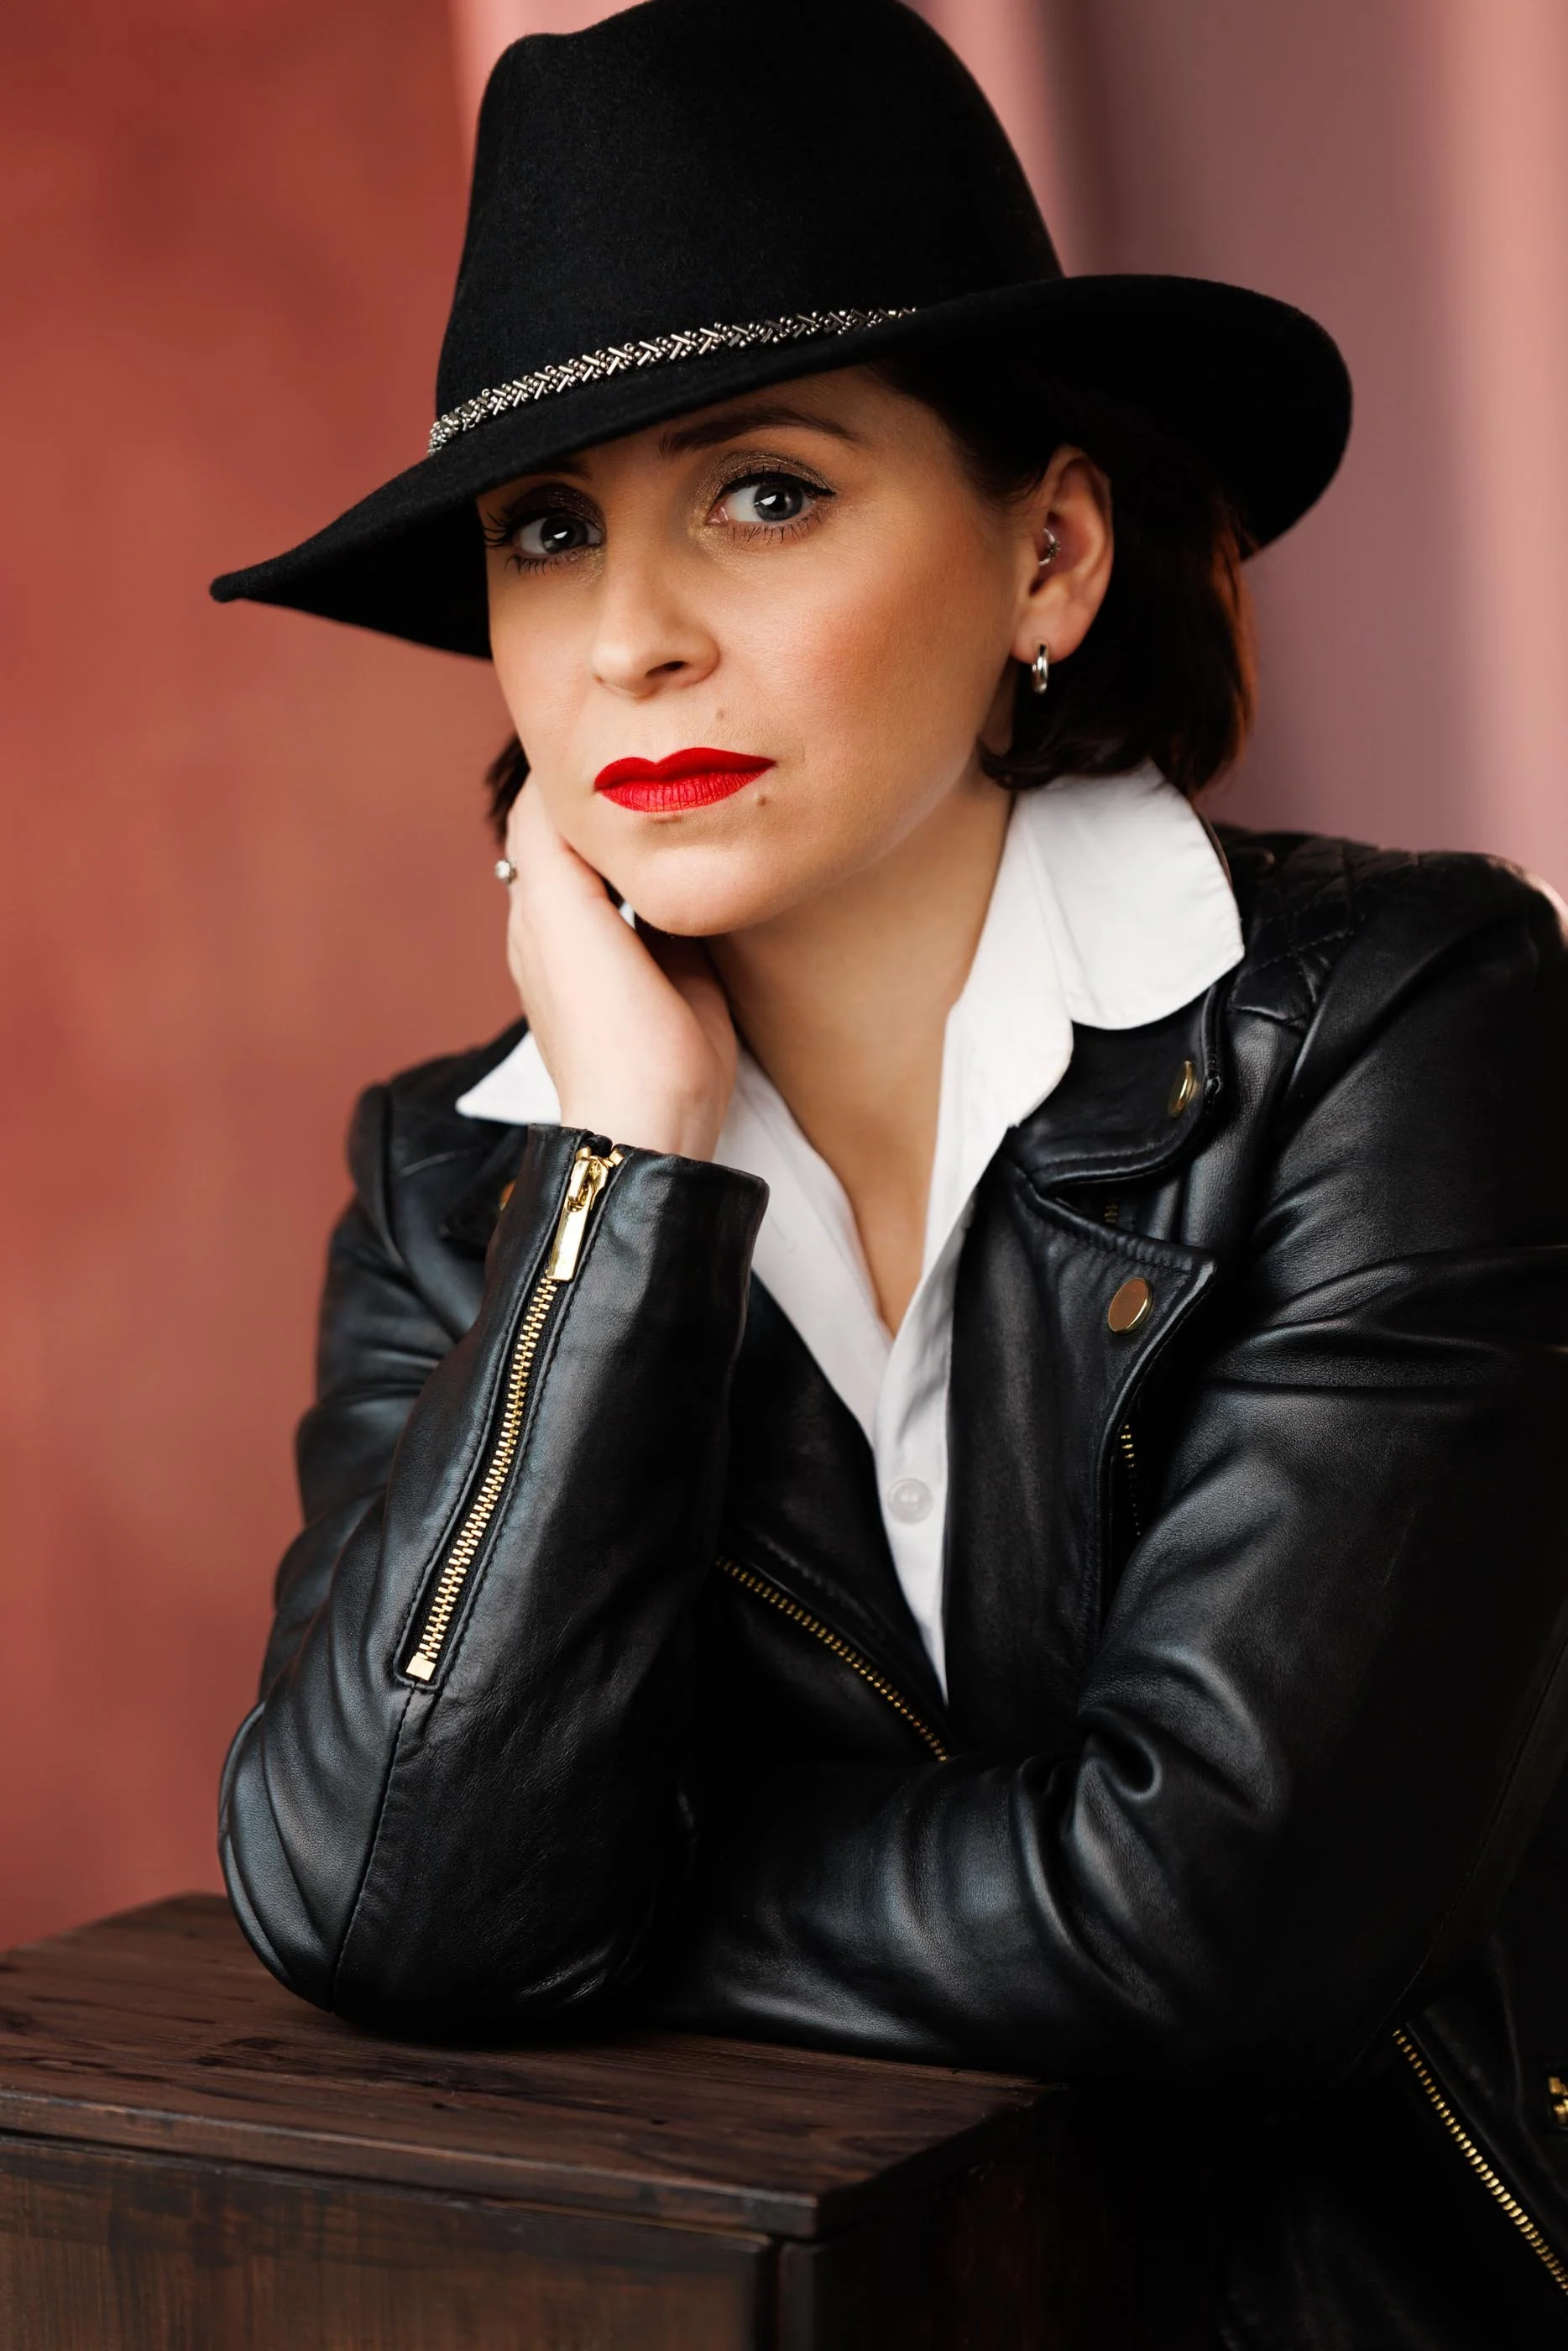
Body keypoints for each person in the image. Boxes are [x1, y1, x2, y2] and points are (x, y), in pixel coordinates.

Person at [211, 3, 1568, 2341]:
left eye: (763, 491)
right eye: (552, 530)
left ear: (1047, 552)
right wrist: (624, 1168)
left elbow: (1217, 1920)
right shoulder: (467, 1180)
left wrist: (599, 1887)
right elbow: (381, 1899)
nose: (629, 636)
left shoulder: (1398, 1023)